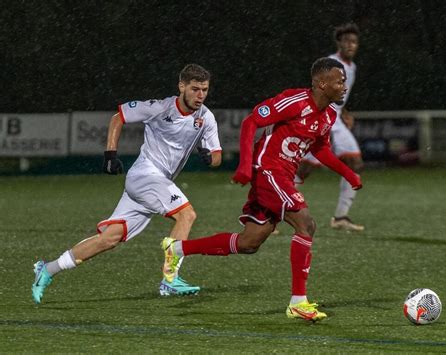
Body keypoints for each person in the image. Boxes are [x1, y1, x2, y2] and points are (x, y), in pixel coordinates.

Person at [161, 58, 362, 322]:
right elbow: (250, 122)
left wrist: (347, 173)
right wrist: (245, 166)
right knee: (306, 224)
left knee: (249, 242)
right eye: (340, 81)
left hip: (284, 176)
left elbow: (319, 149)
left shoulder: (328, 115)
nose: (344, 87)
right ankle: (298, 302)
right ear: (322, 84)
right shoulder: (295, 101)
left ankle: (176, 249)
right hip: (268, 169)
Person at [32, 64, 222, 303]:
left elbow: (217, 156)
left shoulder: (206, 117)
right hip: (146, 176)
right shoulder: (160, 107)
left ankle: (47, 269)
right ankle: (170, 279)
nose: (201, 95)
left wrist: (209, 159)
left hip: (155, 184)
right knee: (187, 215)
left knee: (108, 239)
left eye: (205, 89)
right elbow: (118, 116)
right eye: (195, 89)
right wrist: (110, 154)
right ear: (181, 86)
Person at [297, 23, 364, 231]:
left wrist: (344, 112)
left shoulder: (351, 67)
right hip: (321, 117)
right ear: (339, 43)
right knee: (304, 169)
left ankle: (341, 217)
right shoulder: (332, 64)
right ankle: (268, 212)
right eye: (346, 41)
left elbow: (339, 95)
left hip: (335, 119)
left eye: (354, 41)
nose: (350, 45)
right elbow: (318, 90)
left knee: (354, 162)